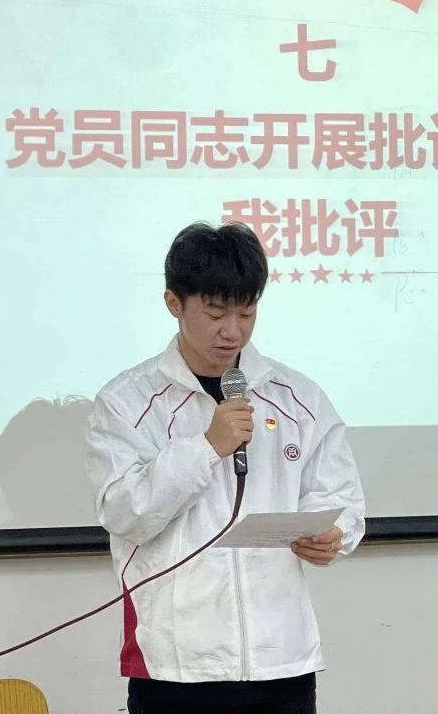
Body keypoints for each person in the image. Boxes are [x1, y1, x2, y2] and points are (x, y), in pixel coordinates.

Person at [85, 222, 366, 714]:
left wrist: (334, 535)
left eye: (247, 312)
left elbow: (340, 498)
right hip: (176, 661)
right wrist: (206, 447)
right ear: (174, 303)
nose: (233, 330)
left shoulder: (297, 396)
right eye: (215, 313)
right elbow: (123, 513)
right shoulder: (127, 401)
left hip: (281, 658)